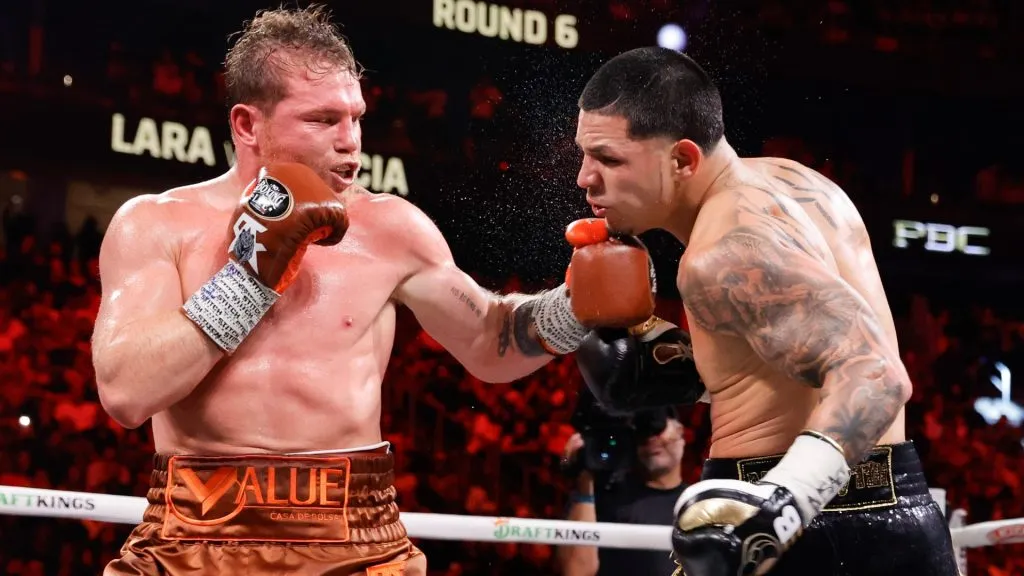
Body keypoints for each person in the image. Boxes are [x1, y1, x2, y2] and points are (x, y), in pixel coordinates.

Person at [90, 6, 654, 575]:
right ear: (247, 125)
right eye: (322, 120)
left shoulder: (391, 228)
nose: (350, 143)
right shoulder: (156, 225)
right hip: (192, 535)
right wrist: (247, 280)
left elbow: (491, 340)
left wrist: (574, 304)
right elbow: (126, 393)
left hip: (353, 538)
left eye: (356, 118)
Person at [571, 47, 959, 575]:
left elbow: (876, 374)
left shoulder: (720, 254)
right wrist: (682, 366)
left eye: (609, 159)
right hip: (896, 509)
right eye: (584, 154)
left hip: (796, 520)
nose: (584, 178)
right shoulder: (795, 182)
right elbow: (803, 355)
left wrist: (784, 503)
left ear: (682, 160)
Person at [557, 406, 688, 576]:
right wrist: (584, 477)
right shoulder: (601, 497)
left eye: (657, 428)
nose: (651, 439)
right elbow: (576, 572)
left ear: (680, 431)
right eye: (641, 432)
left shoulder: (697, 503)